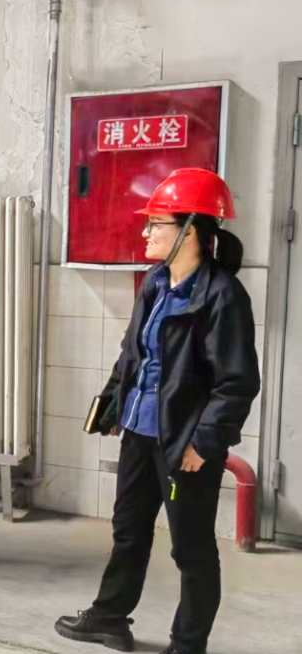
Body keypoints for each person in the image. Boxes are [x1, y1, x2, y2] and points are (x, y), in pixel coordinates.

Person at [55, 168, 261, 654]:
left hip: (183, 444)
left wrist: (203, 443)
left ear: (190, 230)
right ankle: (110, 618)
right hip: (139, 432)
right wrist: (112, 405)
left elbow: (236, 383)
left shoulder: (222, 296)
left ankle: (187, 644)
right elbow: (133, 353)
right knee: (128, 530)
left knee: (190, 547)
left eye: (156, 223)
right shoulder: (155, 281)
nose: (145, 232)